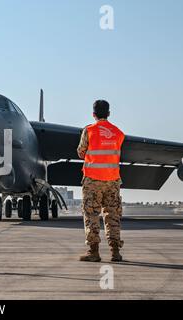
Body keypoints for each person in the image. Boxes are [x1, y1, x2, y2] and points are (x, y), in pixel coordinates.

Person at [77, 100, 125, 262]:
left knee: (91, 214)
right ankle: (115, 252)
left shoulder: (89, 131)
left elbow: (81, 151)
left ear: (93, 114)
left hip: (93, 180)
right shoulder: (118, 133)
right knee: (112, 215)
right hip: (112, 180)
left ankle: (94, 252)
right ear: (109, 114)